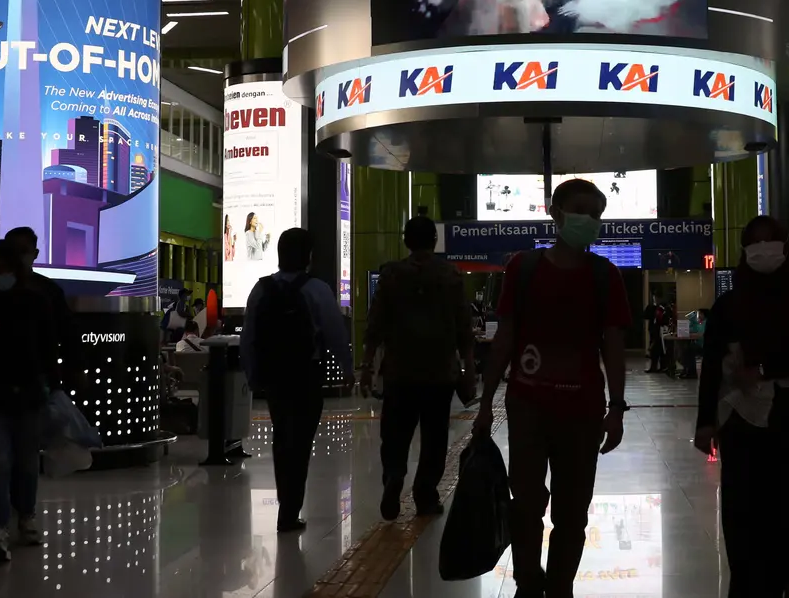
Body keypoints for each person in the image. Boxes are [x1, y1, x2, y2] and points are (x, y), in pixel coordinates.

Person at [475, 178, 631, 598]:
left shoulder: (605, 276)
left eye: (595, 213)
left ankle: (560, 586)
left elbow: (613, 347)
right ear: (555, 213)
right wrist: (486, 401)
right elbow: (505, 337)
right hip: (528, 406)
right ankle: (528, 583)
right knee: (525, 504)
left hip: (582, 411)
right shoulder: (524, 268)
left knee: (572, 511)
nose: (588, 219)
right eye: (579, 209)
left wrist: (616, 408)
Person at [694, 216, 789, 598]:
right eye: (754, 242)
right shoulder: (730, 304)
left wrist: (765, 368)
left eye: (772, 240)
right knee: (744, 503)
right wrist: (705, 421)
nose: (763, 248)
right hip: (742, 417)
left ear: (787, 246)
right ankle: (750, 582)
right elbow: (712, 360)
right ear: (744, 251)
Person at [360, 215, 477, 520]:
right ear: (434, 241)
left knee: (395, 433)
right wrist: (469, 367)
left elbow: (375, 324)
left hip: (400, 371)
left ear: (406, 241)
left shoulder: (392, 275)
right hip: (439, 373)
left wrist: (366, 367)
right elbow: (464, 327)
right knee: (435, 437)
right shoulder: (450, 276)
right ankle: (425, 495)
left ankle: (394, 476)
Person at [241, 228, 353, 532]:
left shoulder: (261, 289)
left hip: (275, 377)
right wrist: (349, 368)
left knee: (282, 437)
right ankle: (290, 509)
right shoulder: (317, 289)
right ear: (309, 256)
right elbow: (335, 334)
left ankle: (285, 504)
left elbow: (249, 337)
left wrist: (253, 376)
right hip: (306, 375)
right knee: (300, 442)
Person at [0, 241, 58, 564]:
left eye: (6, 267)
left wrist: (53, 383)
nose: (1, 274)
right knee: (1, 461)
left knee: (25, 460)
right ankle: (1, 528)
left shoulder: (35, 300)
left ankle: (25, 517)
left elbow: (47, 346)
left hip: (27, 391)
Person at [5, 227, 78, 373]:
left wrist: (76, 368)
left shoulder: (50, 290)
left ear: (35, 254)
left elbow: (67, 333)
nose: (18, 257)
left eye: (23, 251)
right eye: (12, 252)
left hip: (39, 373)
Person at [679, 307, 707, 380]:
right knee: (687, 349)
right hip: (699, 344)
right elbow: (693, 330)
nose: (699, 315)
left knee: (689, 351)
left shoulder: (706, 323)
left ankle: (691, 372)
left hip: (703, 346)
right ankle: (687, 370)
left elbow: (701, 334)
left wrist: (692, 334)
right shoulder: (700, 323)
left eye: (700, 314)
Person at [643, 294, 667, 373]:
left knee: (659, 348)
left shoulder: (662, 308)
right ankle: (653, 367)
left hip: (659, 330)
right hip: (653, 330)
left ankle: (662, 366)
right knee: (654, 349)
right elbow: (645, 316)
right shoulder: (651, 307)